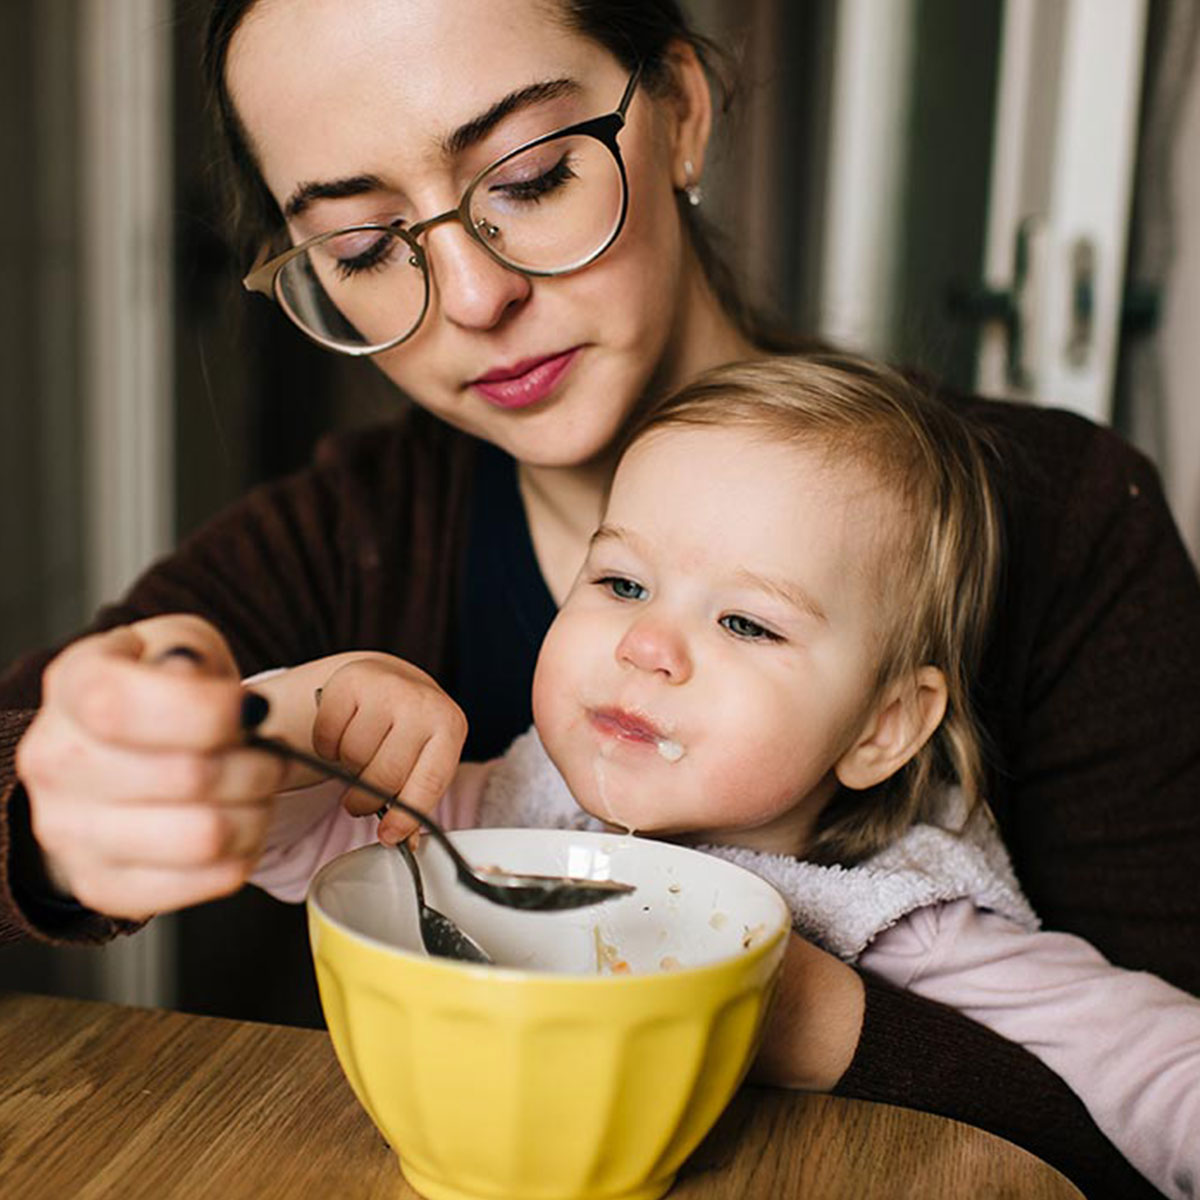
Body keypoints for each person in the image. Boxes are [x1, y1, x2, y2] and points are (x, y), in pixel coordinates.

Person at [0, 3, 1195, 1196]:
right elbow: (135, 775)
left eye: (530, 177)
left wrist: (786, 1011)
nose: (470, 297)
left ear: (679, 110)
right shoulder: (348, 537)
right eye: (364, 246)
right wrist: (162, 770)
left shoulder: (1054, 521)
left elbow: (1147, 1112)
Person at [243, 354, 1200, 1200]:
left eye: (745, 623)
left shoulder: (902, 916)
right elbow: (267, 832)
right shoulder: (496, 812)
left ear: (882, 727)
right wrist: (308, 708)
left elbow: (1155, 1066)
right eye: (621, 584)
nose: (646, 644)